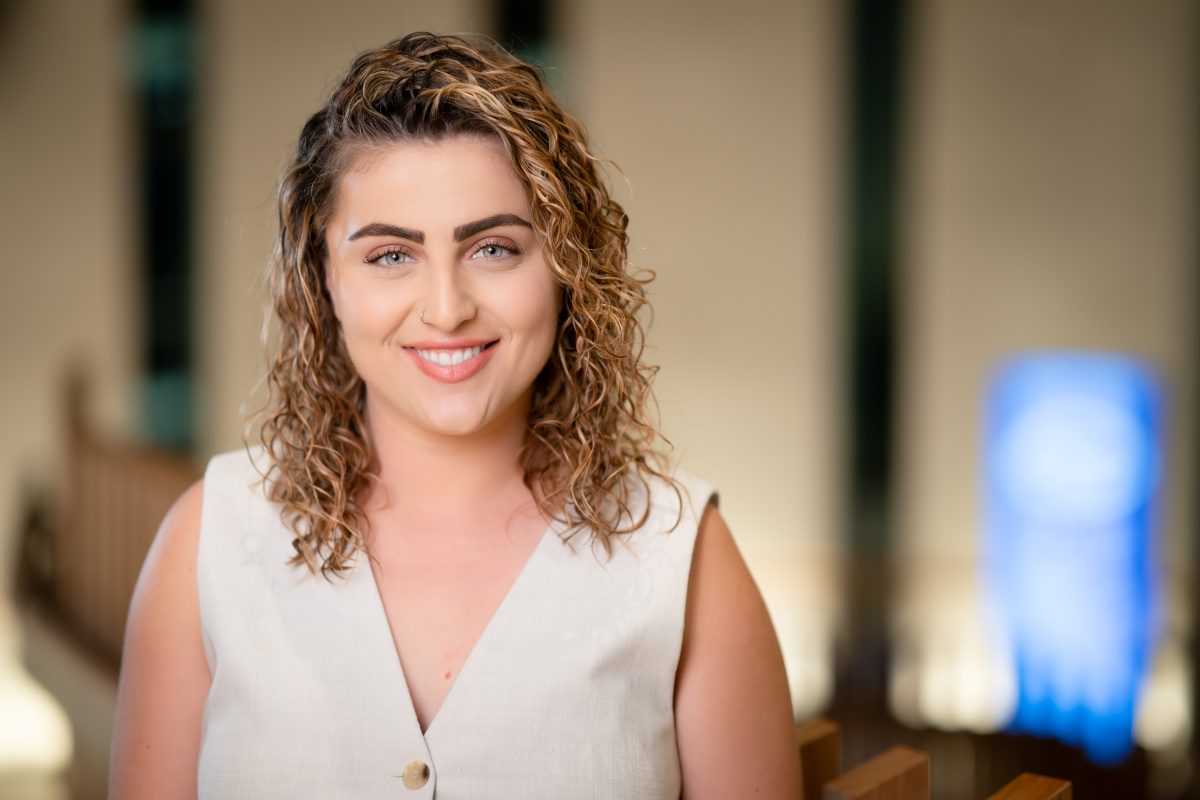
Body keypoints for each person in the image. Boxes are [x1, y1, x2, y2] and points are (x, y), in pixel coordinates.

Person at [110, 32, 800, 799]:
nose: (446, 308)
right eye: (391, 256)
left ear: (567, 267)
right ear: (324, 279)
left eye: (495, 249)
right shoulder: (206, 545)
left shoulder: (682, 558)